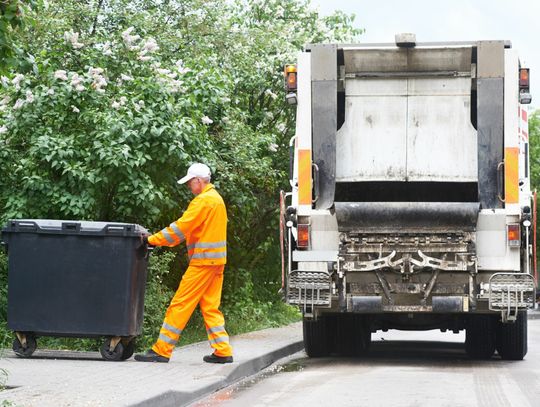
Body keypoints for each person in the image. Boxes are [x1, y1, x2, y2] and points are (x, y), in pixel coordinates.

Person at [135, 163, 233, 364]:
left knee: (180, 304)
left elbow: (181, 228)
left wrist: (152, 239)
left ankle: (162, 350)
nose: (189, 186)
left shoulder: (203, 201)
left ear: (198, 180)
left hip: (203, 262)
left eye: (190, 182)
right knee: (210, 307)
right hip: (216, 262)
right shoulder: (217, 200)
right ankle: (222, 350)